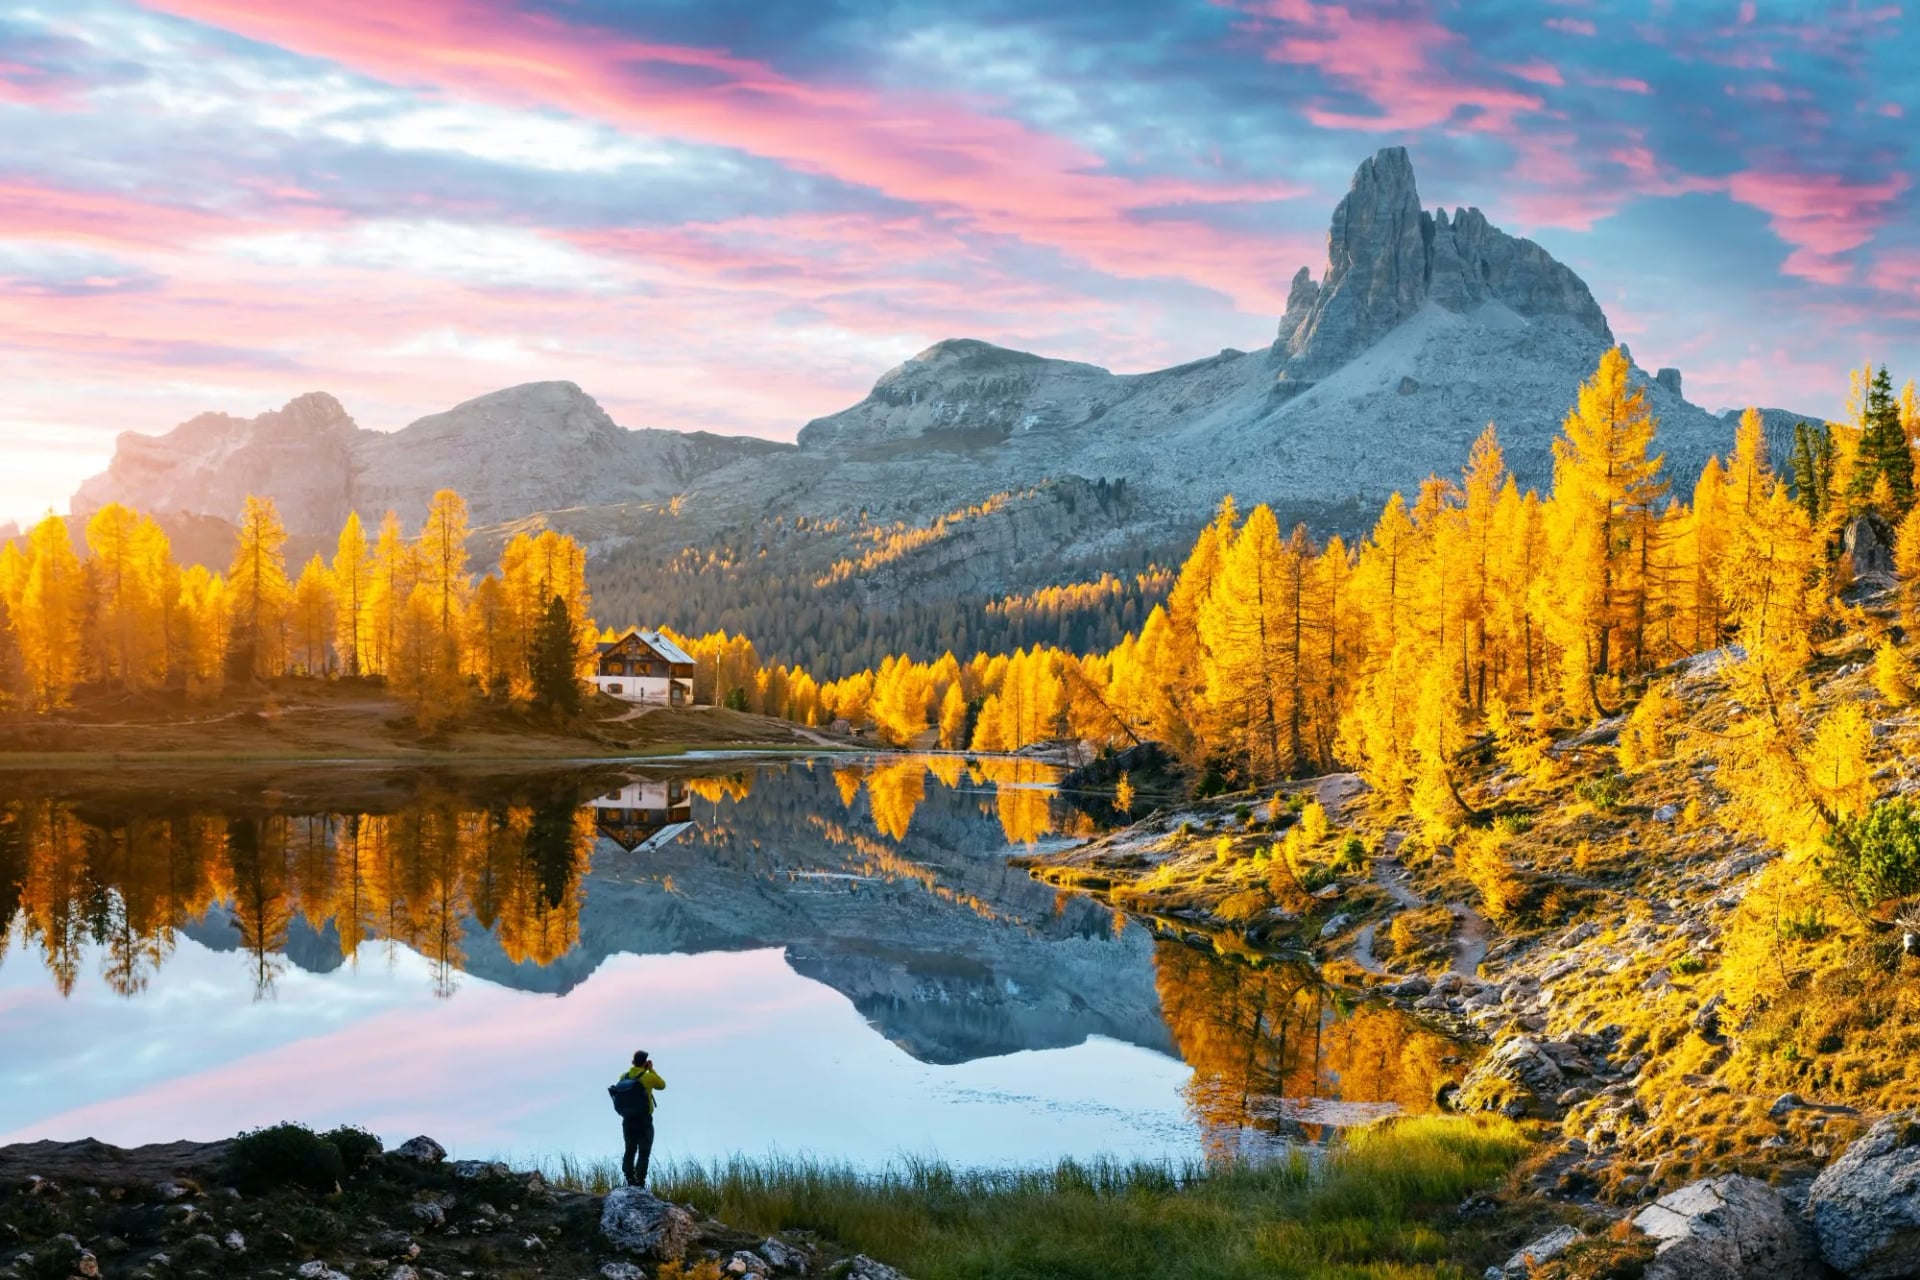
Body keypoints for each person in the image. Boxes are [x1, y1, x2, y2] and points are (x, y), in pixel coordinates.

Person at [609, 1049, 666, 1187]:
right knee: (644, 1151)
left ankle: (629, 1178)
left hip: (627, 1120)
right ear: (645, 1063)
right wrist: (651, 1070)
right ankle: (640, 1181)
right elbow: (662, 1085)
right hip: (644, 1120)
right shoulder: (648, 1077)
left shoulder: (624, 1076)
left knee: (630, 1150)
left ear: (633, 1062)